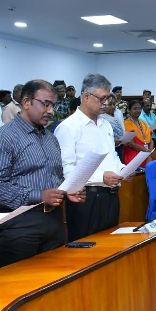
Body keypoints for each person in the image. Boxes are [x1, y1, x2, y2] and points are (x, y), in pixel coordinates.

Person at [0, 80, 86, 267]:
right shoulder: (3, 138)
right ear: (27, 102)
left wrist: (67, 190)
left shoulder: (50, 138)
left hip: (54, 221)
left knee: (54, 285)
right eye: (45, 104)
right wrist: (38, 196)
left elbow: (55, 176)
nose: (50, 111)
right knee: (21, 290)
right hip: (19, 225)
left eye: (52, 105)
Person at [55, 74, 128, 241]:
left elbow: (112, 157)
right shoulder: (68, 127)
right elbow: (66, 170)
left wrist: (123, 169)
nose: (106, 103)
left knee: (110, 248)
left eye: (108, 99)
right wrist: (100, 177)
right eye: (102, 99)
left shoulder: (105, 124)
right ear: (86, 96)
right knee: (86, 250)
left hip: (110, 196)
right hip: (85, 198)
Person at [123, 100, 154, 167]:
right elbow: (130, 144)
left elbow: (151, 140)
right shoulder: (126, 123)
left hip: (147, 156)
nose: (137, 110)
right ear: (129, 110)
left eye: (139, 108)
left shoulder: (143, 123)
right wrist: (146, 151)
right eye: (135, 108)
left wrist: (149, 153)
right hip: (134, 157)